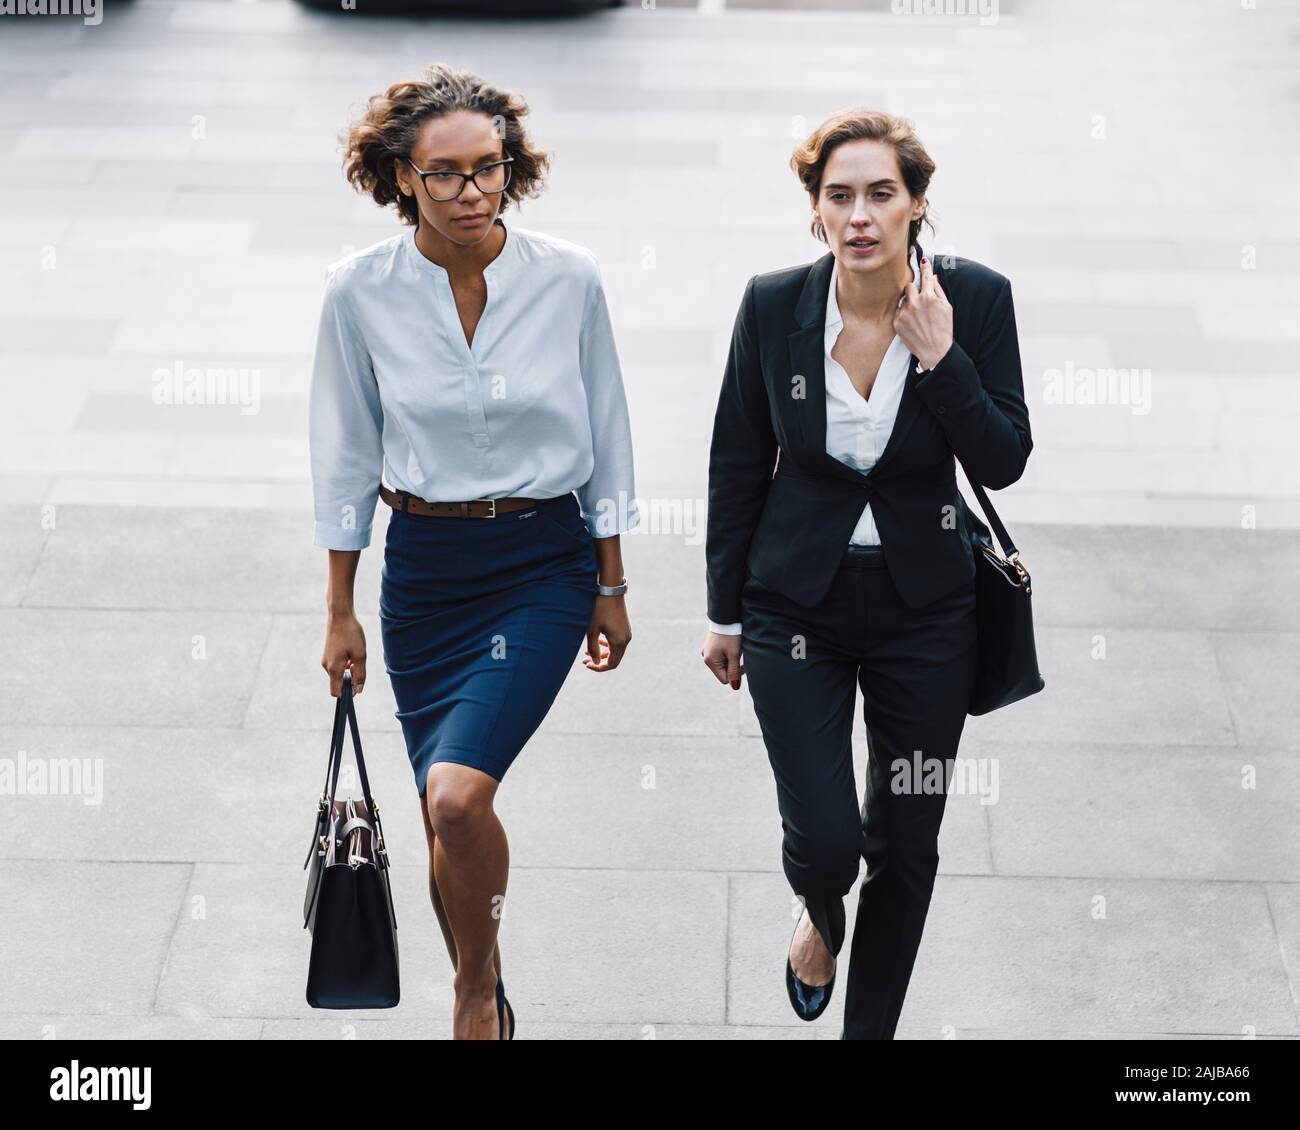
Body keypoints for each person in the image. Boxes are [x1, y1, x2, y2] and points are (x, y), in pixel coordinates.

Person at [309, 63, 639, 1040]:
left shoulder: (568, 280)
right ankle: (486, 985)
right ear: (401, 176)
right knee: (439, 812)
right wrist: (340, 605)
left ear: (511, 169)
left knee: (457, 797)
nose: (470, 191)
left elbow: (610, 430)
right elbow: (342, 455)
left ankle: (474, 990)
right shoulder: (357, 295)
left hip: (543, 559)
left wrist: (612, 579)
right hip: (423, 574)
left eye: (488, 169)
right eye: (445, 173)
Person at [701, 108, 1032, 1039]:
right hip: (790, 603)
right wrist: (723, 612)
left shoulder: (977, 298)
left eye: (882, 194)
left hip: (927, 610)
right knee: (830, 838)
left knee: (907, 841)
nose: (860, 215)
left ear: (916, 204)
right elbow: (736, 462)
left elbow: (1005, 457)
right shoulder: (772, 305)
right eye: (839, 195)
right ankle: (821, 913)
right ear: (814, 211)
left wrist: (942, 355)